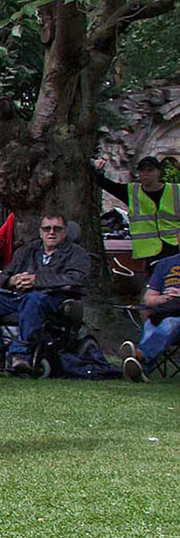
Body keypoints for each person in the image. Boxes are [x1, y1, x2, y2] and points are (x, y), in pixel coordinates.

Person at [0, 212, 91, 373]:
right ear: (41, 232)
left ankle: (21, 354)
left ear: (65, 232)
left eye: (56, 229)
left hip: (51, 300)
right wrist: (12, 280)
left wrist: (36, 280)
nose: (51, 232)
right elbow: (4, 276)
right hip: (18, 297)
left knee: (34, 298)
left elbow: (76, 278)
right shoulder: (28, 250)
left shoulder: (76, 253)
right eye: (47, 229)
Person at [96, 155, 179, 265]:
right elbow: (106, 184)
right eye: (142, 171)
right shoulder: (131, 192)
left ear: (159, 172)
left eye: (150, 170)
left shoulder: (176, 191)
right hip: (148, 252)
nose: (145, 174)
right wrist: (98, 170)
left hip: (174, 248)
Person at [120, 252, 180, 383]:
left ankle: (140, 357)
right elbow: (149, 299)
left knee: (169, 323)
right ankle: (140, 369)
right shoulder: (165, 264)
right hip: (164, 311)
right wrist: (164, 298)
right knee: (152, 325)